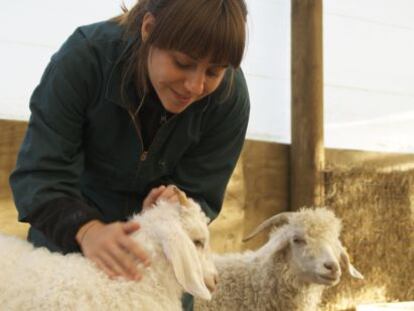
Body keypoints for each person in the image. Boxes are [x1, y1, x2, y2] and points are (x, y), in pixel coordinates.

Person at [9, 0, 249, 309]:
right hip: (68, 227)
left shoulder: (228, 99)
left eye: (214, 71)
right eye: (182, 63)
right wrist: (86, 229)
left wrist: (176, 205)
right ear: (149, 29)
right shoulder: (85, 58)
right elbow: (40, 174)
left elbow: (201, 195)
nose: (195, 85)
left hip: (156, 254)